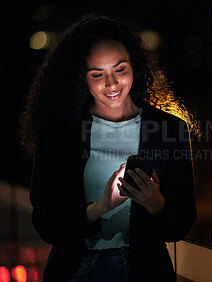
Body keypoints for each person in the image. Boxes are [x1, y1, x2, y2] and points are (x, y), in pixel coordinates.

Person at [20, 14, 197, 282]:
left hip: (146, 272)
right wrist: (100, 207)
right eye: (97, 74)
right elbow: (46, 223)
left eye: (120, 69)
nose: (111, 83)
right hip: (76, 272)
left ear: (135, 66)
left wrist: (155, 203)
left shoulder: (169, 129)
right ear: (81, 77)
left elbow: (181, 223)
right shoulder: (59, 134)